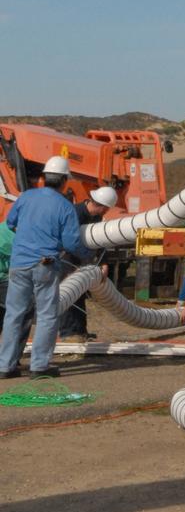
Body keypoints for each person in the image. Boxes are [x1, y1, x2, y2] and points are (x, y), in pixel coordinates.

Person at [0, 155, 92, 377]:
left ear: (44, 177)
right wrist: (88, 255)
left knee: (13, 314)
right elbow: (71, 242)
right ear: (64, 181)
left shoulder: (26, 197)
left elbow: (11, 223)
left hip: (19, 263)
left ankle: (5, 366)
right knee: (47, 315)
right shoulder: (65, 206)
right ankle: (39, 366)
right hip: (45, 264)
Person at [58, 186, 118, 340]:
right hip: (65, 257)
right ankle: (68, 333)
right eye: (107, 209)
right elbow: (68, 241)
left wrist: (103, 262)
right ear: (102, 206)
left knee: (79, 293)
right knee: (69, 293)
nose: (107, 212)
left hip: (79, 259)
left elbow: (99, 240)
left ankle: (80, 331)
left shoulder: (95, 217)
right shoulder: (74, 214)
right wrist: (85, 260)